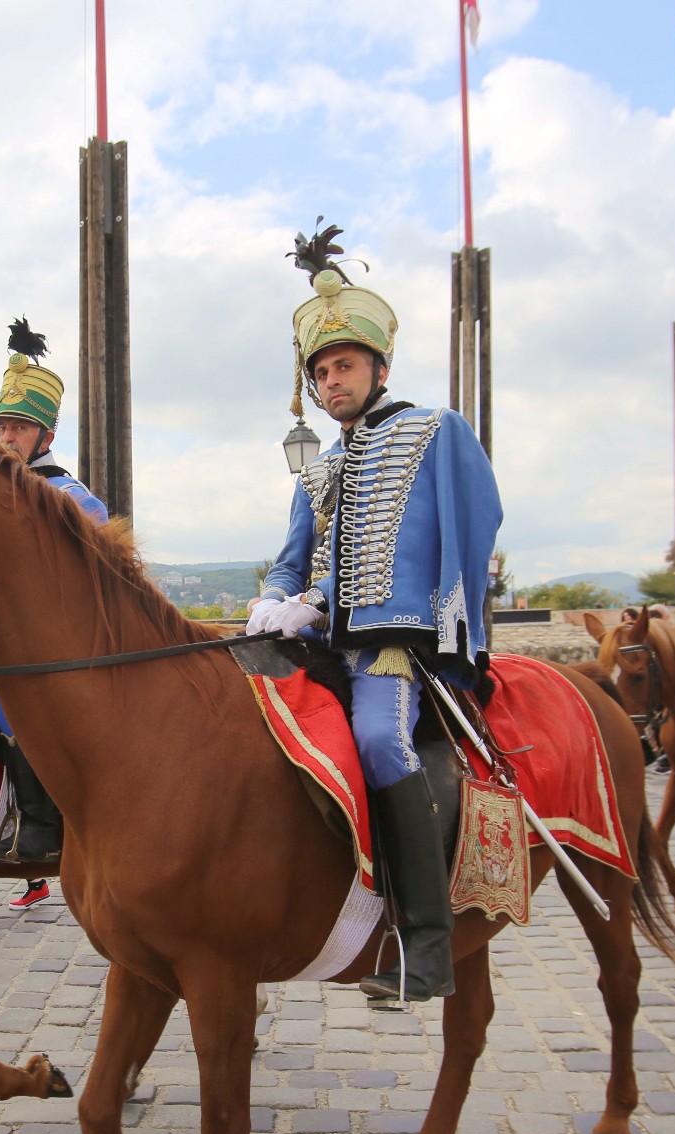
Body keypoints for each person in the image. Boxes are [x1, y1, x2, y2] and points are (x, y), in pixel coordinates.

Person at [249, 223, 503, 1003]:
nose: (332, 380)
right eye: (321, 370)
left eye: (345, 365)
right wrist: (277, 594)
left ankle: (425, 939)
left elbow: (478, 520)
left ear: (378, 366)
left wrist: (429, 612)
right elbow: (295, 555)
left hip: (392, 645)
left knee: (379, 740)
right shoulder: (317, 471)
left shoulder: (434, 433)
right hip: (315, 639)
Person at [0, 318, 104, 890]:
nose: (6, 437)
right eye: (0, 425)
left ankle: (42, 822)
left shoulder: (74, 501)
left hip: (58, 648)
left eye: (19, 427)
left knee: (7, 693)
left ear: (45, 437)